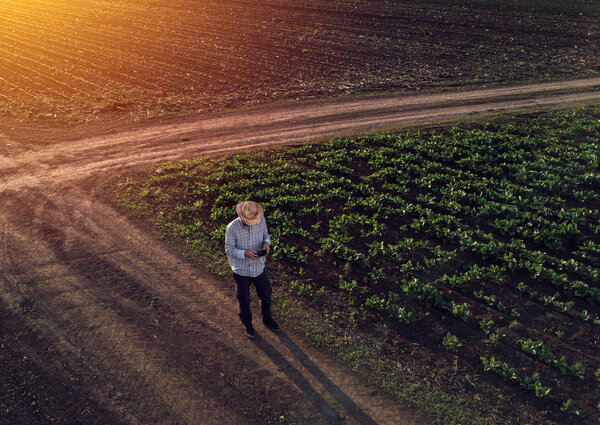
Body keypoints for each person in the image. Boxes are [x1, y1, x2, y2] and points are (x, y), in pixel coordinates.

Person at [225, 200, 281, 339]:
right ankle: (248, 325)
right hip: (241, 269)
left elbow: (266, 236)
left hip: (258, 267)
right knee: (243, 299)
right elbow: (229, 250)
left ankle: (267, 319)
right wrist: (244, 253)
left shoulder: (261, 221)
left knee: (266, 294)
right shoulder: (232, 228)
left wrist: (267, 244)